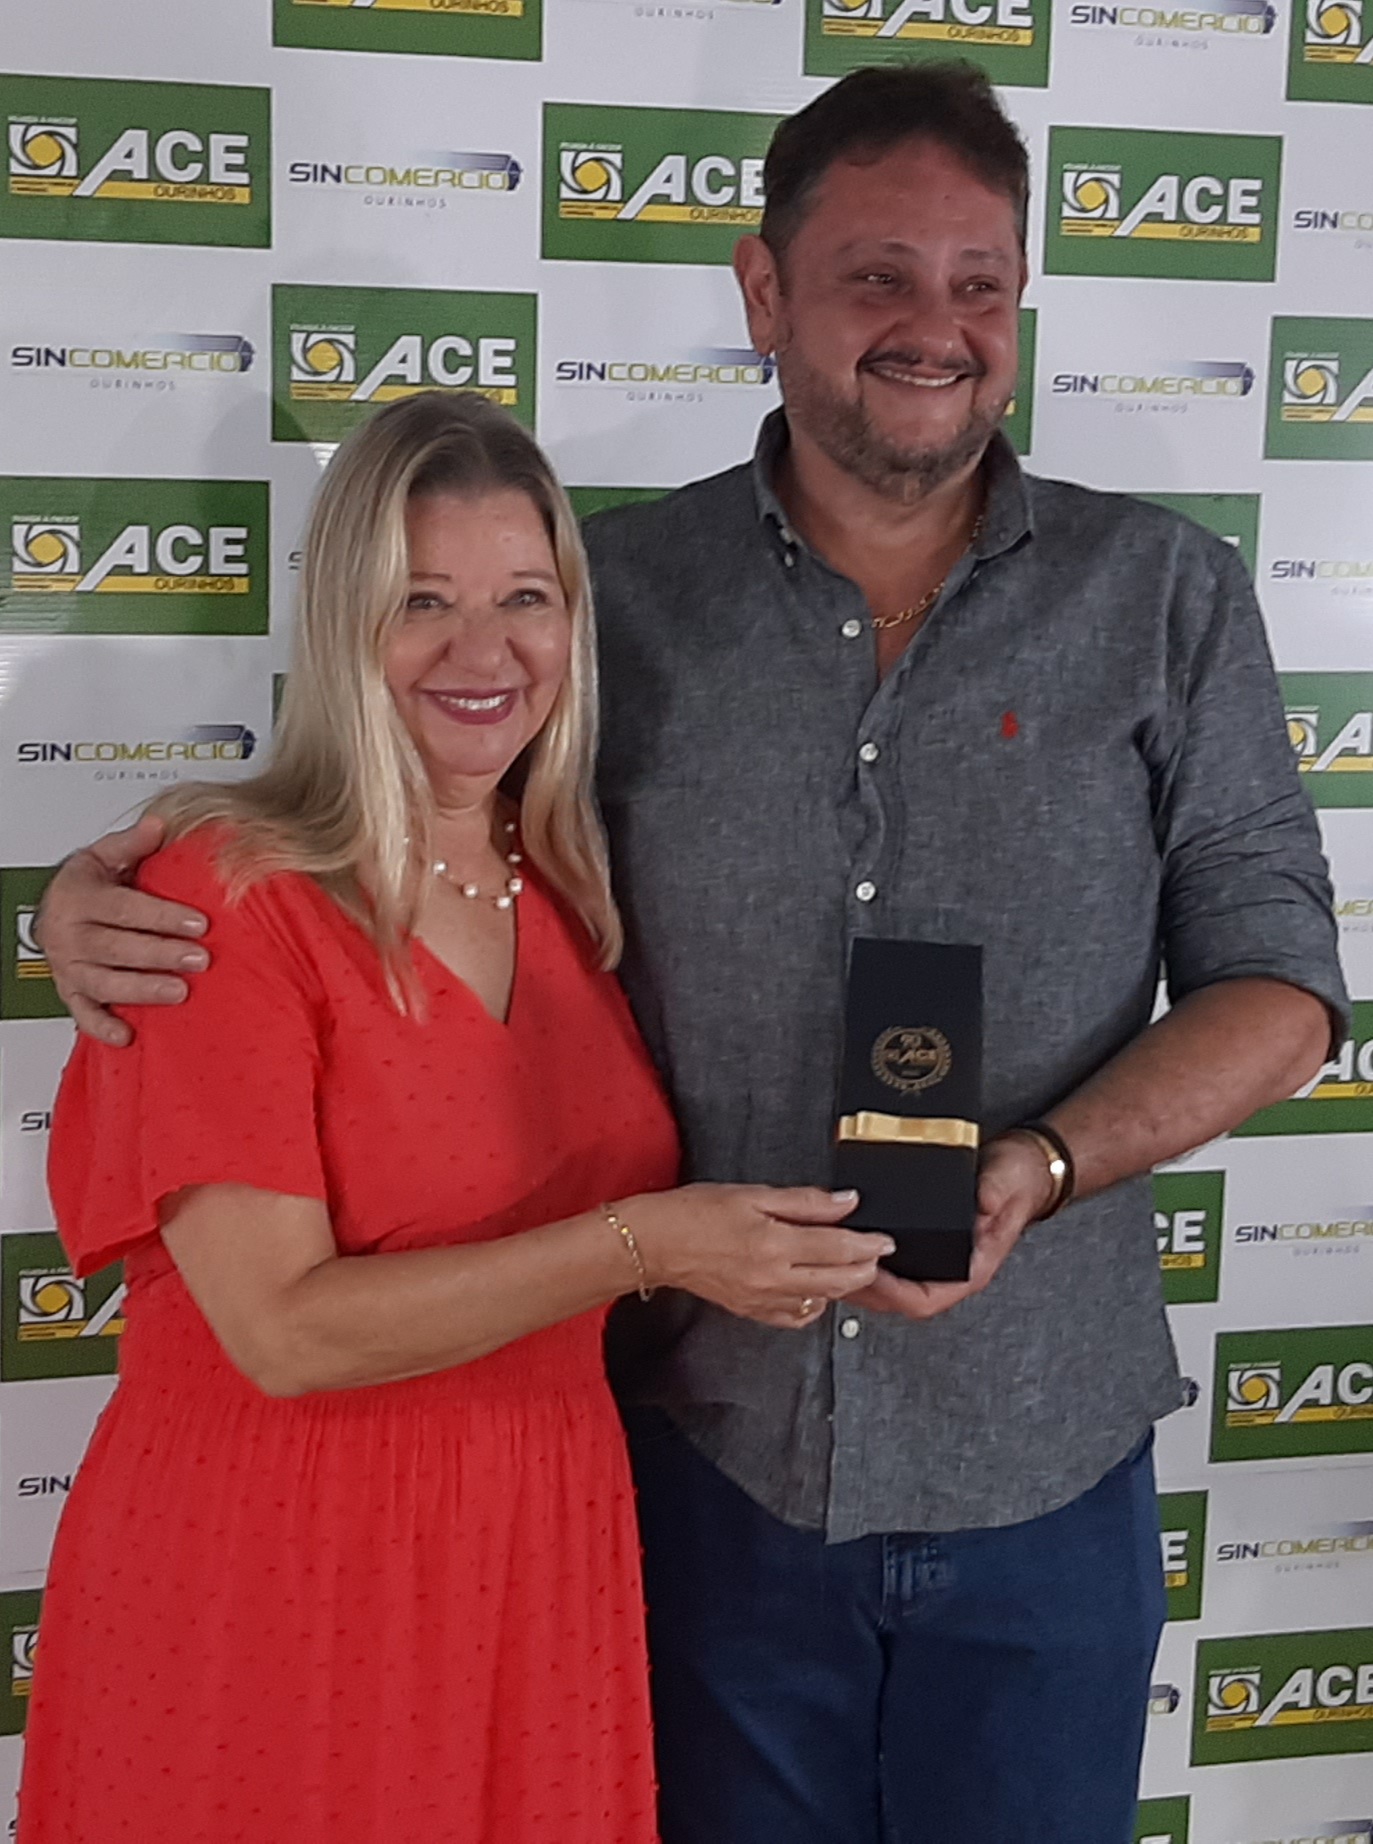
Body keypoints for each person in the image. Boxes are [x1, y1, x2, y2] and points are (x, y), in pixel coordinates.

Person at [39, 61, 1347, 1844]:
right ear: (762, 290)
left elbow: (1281, 985)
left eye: (978, 283)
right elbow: (394, 811)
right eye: (877, 275)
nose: (934, 326)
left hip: (1040, 1451)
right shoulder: (615, 598)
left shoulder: (1168, 596)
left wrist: (1040, 1166)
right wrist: (111, 886)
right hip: (690, 1466)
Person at [18, 392, 892, 1844]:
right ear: (342, 620)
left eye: (524, 599)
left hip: (537, 1547)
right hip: (277, 1561)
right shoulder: (224, 895)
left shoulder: (573, 888)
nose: (482, 653)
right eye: (421, 600)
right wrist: (649, 1244)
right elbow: (282, 1332)